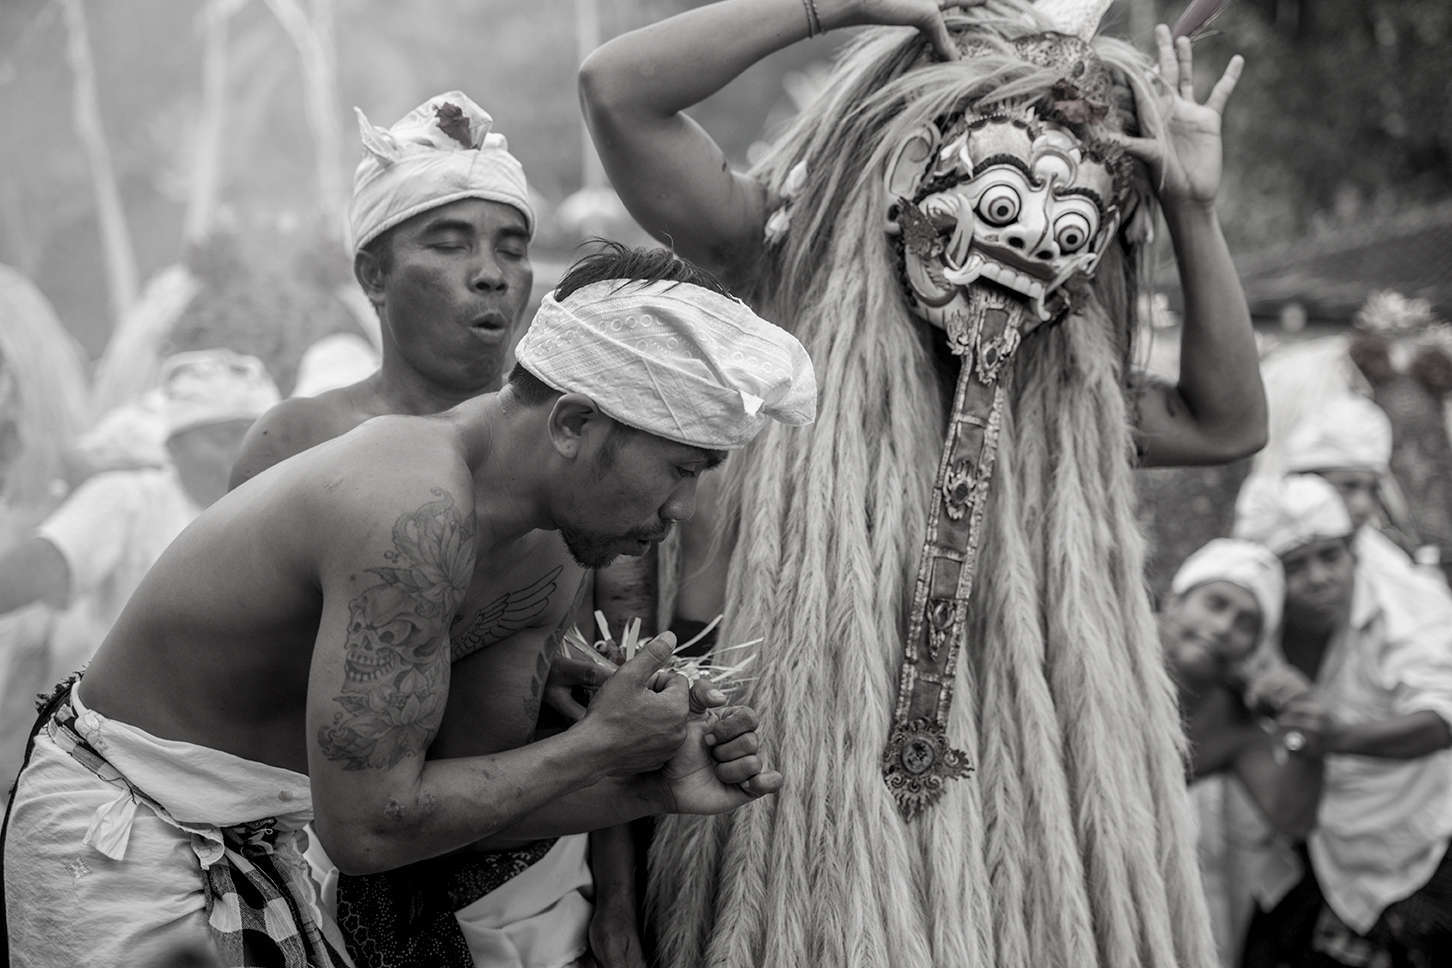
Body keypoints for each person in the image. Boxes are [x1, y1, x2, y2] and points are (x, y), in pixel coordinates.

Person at [579, 1, 1265, 965]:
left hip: (1013, 838)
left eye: (1071, 220)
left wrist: (1191, 209)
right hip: (794, 821)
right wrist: (837, 4)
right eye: (1001, 196)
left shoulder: (1064, 390)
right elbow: (617, 91)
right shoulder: (786, 267)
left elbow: (1226, 422)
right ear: (905, 174)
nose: (1031, 241)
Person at [1, 254, 812, 968]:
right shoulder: (407, 505)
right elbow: (367, 831)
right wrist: (599, 744)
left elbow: (450, 809)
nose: (682, 509)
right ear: (572, 424)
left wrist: (647, 785)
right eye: (680, 468)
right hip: (123, 835)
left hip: (266, 843)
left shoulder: (551, 552)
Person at [227, 92, 639, 965]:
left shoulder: (570, 463)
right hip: (314, 859)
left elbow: (589, 705)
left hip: (523, 875)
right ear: (374, 276)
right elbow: (252, 696)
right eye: (448, 244)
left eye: (512, 248)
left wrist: (618, 898)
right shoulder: (298, 444)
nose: (491, 274)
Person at [1232, 474, 1452, 968]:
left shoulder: (1406, 608)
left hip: (1421, 831)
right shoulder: (1244, 621)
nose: (1318, 578)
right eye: (1295, 565)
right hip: (1314, 841)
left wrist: (1338, 737)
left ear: (1352, 552)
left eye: (1330, 557)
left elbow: (1443, 720)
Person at [0, 350, 279, 691]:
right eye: (222, 438)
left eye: (255, 435)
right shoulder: (129, 500)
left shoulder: (282, 508)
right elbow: (36, 570)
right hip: (131, 713)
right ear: (175, 446)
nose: (241, 451)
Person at [1162, 539, 1326, 966]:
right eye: (1215, 604)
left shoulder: (1234, 725)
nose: (1222, 627)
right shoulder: (1103, 654)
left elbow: (1292, 818)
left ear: (1254, 647)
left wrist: (1303, 731)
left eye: (1246, 624)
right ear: (1175, 602)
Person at [1283, 392, 1451, 597]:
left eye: (1373, 489)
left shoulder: (1385, 556)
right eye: (1348, 486)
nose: (1362, 505)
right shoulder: (1275, 553)